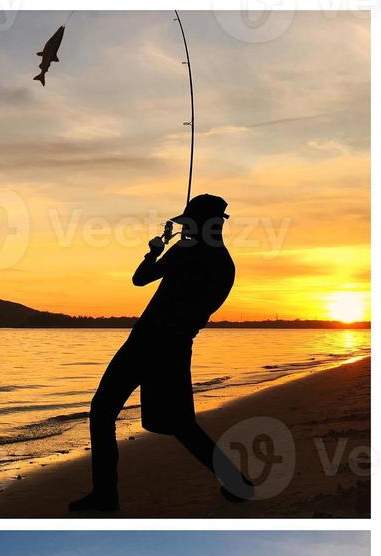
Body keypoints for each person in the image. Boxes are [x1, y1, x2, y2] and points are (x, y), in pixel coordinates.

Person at [70, 194, 255, 511]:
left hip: (147, 342)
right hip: (177, 347)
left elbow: (140, 279)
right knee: (181, 425)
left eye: (189, 225)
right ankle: (237, 484)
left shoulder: (187, 252)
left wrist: (154, 251)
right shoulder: (224, 263)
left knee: (102, 411)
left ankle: (105, 494)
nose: (185, 231)